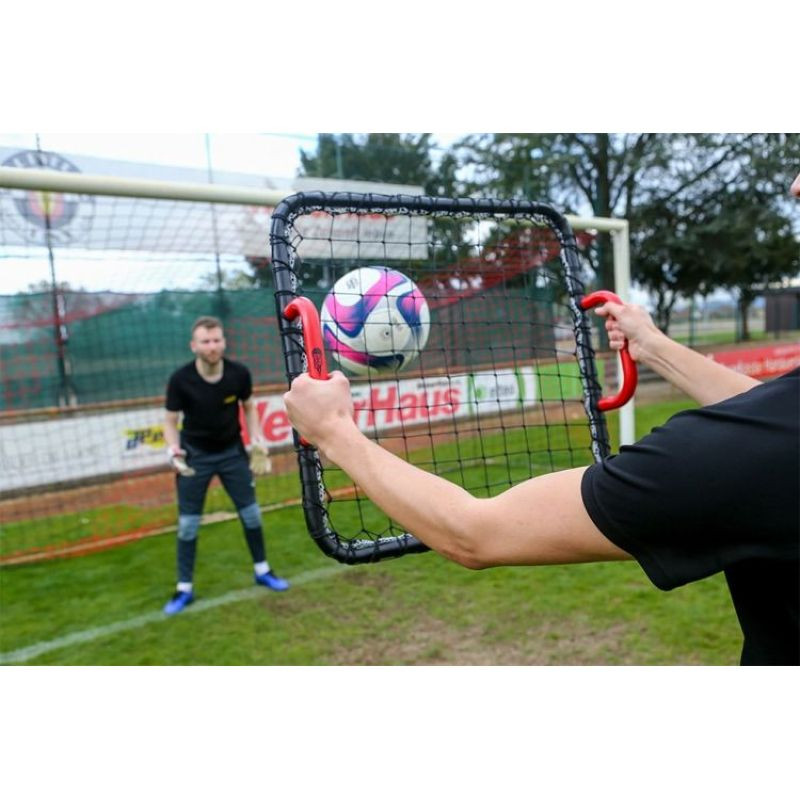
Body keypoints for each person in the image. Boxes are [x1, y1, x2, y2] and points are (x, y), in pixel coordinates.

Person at [282, 175, 800, 666]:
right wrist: (655, 348)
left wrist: (335, 433)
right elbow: (765, 411)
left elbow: (475, 533)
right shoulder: (772, 437)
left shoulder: (731, 457)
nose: (795, 186)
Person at [162, 316, 289, 615]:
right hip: (195, 457)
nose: (212, 346)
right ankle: (184, 589)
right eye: (205, 341)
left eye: (217, 339)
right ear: (194, 346)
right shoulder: (180, 380)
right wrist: (173, 449)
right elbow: (170, 421)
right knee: (188, 525)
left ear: (224, 342)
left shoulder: (239, 374)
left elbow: (249, 407)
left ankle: (262, 570)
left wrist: (257, 439)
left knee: (252, 516)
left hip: (232, 454)